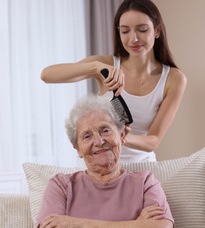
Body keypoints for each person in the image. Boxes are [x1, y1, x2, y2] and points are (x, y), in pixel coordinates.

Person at [41, 0, 187, 162]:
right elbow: (47, 75)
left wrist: (121, 135)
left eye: (142, 30)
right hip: (100, 165)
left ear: (157, 30)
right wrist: (95, 67)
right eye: (125, 31)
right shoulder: (105, 66)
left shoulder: (174, 79)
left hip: (141, 167)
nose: (134, 39)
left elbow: (153, 140)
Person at [35, 95, 175, 228]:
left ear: (121, 136)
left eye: (105, 130)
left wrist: (80, 226)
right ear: (78, 149)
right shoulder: (60, 185)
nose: (99, 141)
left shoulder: (146, 183)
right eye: (87, 136)